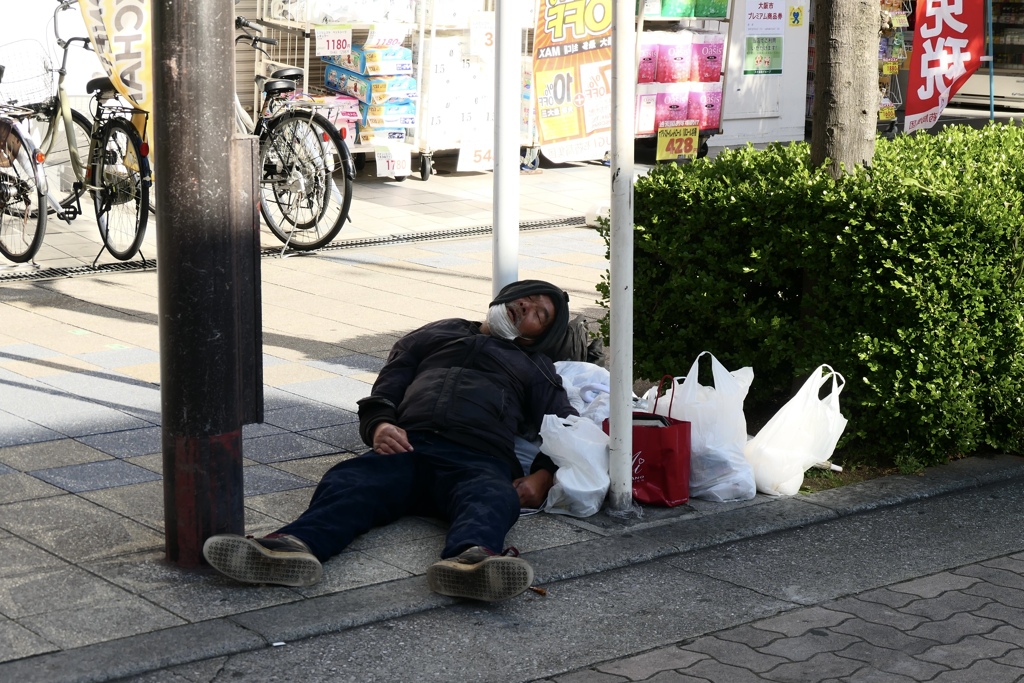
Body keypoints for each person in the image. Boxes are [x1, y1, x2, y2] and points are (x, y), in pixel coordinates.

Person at [203, 279, 578, 602]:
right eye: (525, 299)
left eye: (539, 315)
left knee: (492, 497)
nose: (526, 307)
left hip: (477, 457)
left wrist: (542, 477)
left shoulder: (535, 367)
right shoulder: (439, 332)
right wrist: (380, 425)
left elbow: (564, 427)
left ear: (536, 337)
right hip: (407, 446)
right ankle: (290, 547)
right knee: (350, 480)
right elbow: (388, 386)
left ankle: (474, 561)